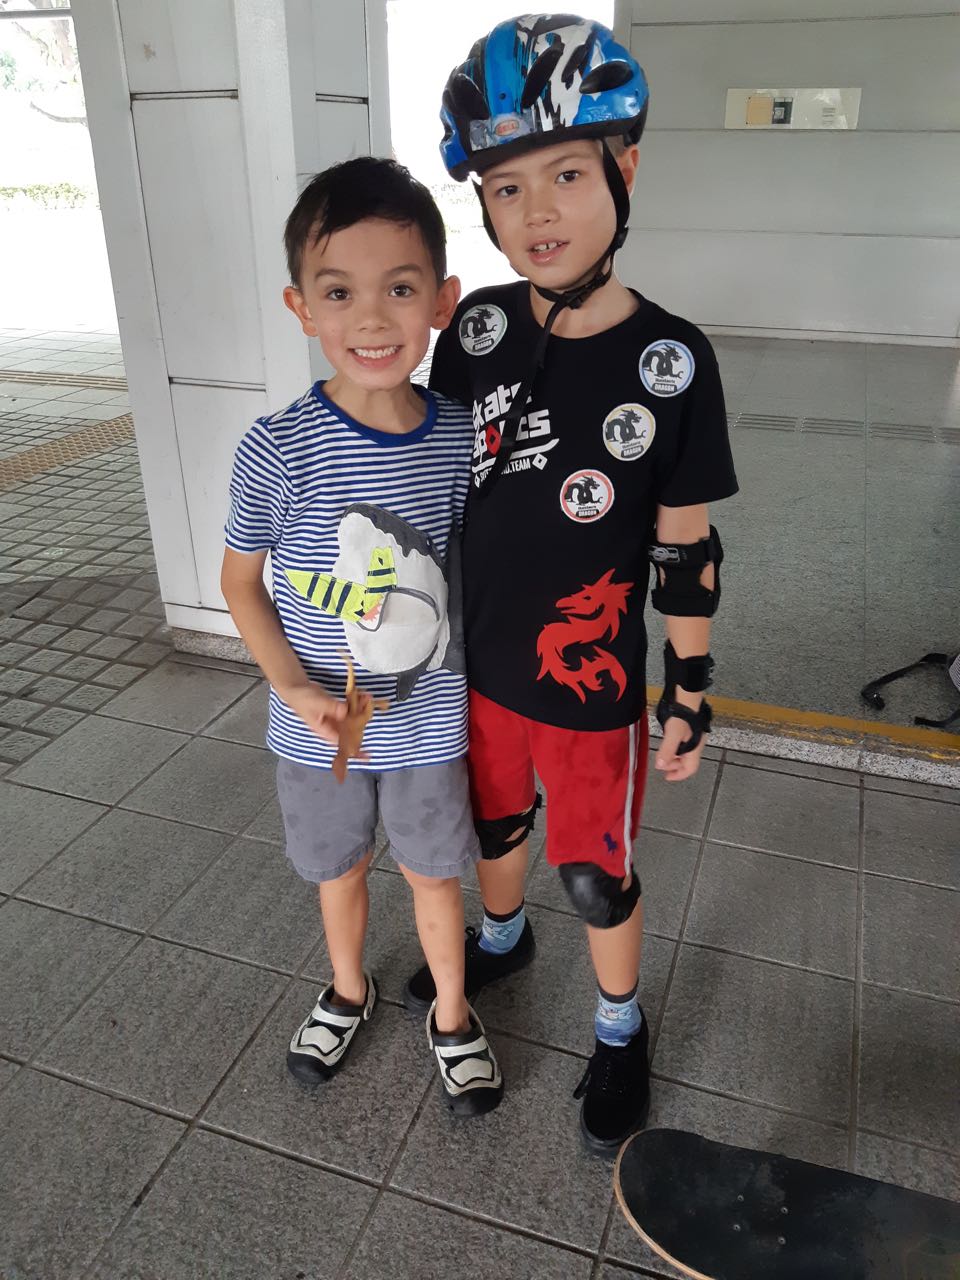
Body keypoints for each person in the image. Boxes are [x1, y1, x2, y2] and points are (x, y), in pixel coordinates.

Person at [403, 15, 738, 1153]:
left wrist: (689, 686)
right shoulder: (478, 329)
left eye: (566, 175)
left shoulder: (673, 361)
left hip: (590, 689)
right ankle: (503, 940)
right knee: (492, 826)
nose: (536, 211)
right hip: (478, 666)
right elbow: (429, 471)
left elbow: (684, 545)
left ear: (624, 169)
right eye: (506, 187)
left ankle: (619, 1025)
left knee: (595, 875)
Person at [221, 156, 503, 1115]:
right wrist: (295, 688)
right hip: (319, 732)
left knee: (435, 874)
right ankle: (348, 989)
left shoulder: (461, 434)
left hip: (427, 724)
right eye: (340, 292)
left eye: (401, 288)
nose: (373, 318)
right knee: (337, 871)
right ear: (302, 307)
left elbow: (476, 568)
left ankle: (453, 1011)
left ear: (442, 301)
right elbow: (241, 584)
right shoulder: (276, 447)